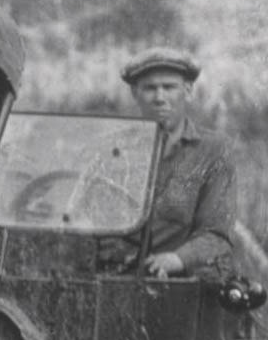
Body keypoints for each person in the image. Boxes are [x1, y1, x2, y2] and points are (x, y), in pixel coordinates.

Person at [101, 47, 236, 280]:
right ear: (135, 93)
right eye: (150, 88)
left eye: (169, 87)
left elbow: (216, 233)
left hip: (180, 283)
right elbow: (86, 221)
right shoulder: (114, 149)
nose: (160, 97)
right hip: (115, 277)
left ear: (188, 91)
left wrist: (178, 259)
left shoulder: (213, 151)